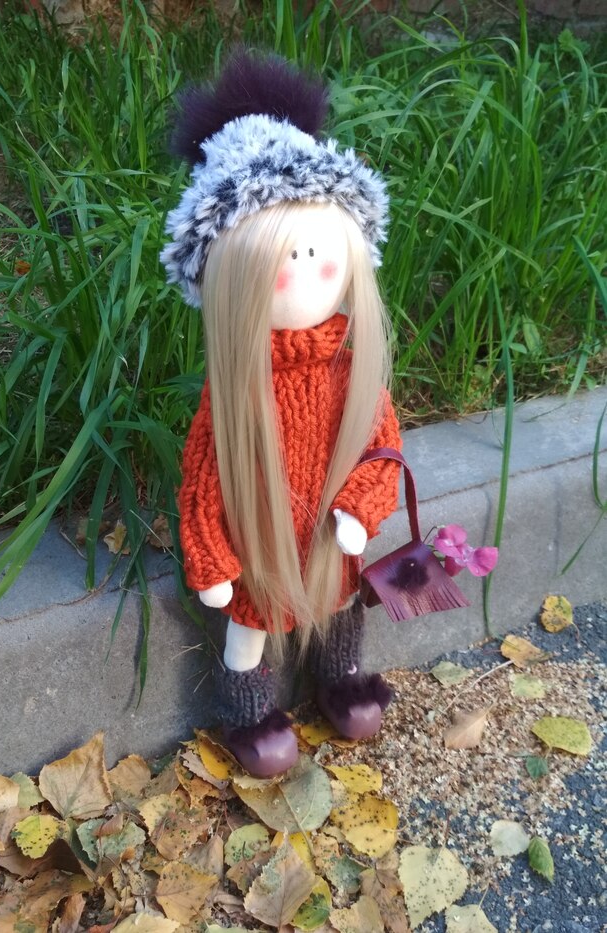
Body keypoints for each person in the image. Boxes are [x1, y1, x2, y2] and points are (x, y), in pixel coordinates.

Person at [161, 51, 401, 777]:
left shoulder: (353, 371)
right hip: (262, 545)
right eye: (278, 263)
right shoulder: (235, 393)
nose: (302, 273)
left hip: (330, 537)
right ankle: (251, 714)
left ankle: (342, 677)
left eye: (320, 255)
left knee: (341, 603)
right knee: (249, 627)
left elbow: (382, 448)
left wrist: (360, 508)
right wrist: (212, 560)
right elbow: (204, 480)